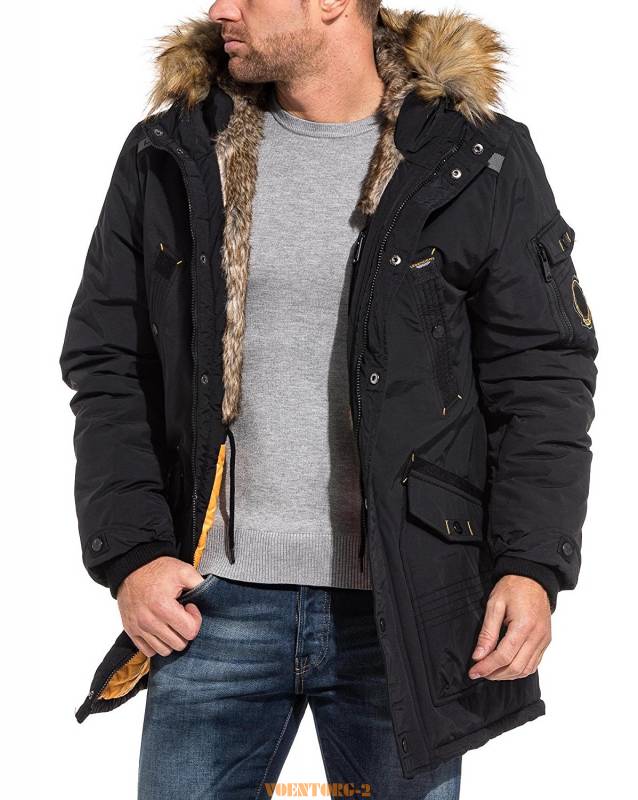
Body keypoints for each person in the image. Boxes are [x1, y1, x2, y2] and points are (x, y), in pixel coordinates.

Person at [58, 2, 598, 798]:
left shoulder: (475, 156)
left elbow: (542, 374)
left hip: (406, 607)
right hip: (208, 606)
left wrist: (530, 564)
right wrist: (133, 553)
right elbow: (109, 362)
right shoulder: (173, 151)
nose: (220, 9)